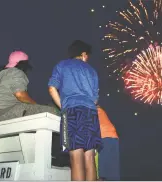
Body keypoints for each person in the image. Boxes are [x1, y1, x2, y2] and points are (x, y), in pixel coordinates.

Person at [48, 40, 102, 181]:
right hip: (91, 113)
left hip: (72, 111)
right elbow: (95, 100)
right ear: (83, 54)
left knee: (75, 157)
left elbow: (52, 88)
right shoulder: (92, 71)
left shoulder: (62, 65)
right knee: (89, 157)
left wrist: (63, 106)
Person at [0, 50, 59, 124]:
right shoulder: (17, 72)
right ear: (23, 64)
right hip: (9, 112)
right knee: (51, 111)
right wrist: (36, 105)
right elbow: (20, 95)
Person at [95, 105, 120, 181]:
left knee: (101, 173)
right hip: (113, 137)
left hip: (104, 137)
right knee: (112, 172)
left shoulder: (91, 108)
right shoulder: (100, 110)